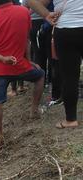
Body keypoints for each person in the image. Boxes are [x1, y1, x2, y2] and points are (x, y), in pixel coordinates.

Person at [0, 0, 45, 135]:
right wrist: (29, 61)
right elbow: (27, 39)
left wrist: (2, 59)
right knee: (40, 75)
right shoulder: (24, 12)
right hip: (20, 66)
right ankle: (34, 111)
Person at [28, 0, 83, 128]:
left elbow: (32, 1)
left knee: (70, 77)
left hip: (65, 29)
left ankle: (70, 120)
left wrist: (46, 14)